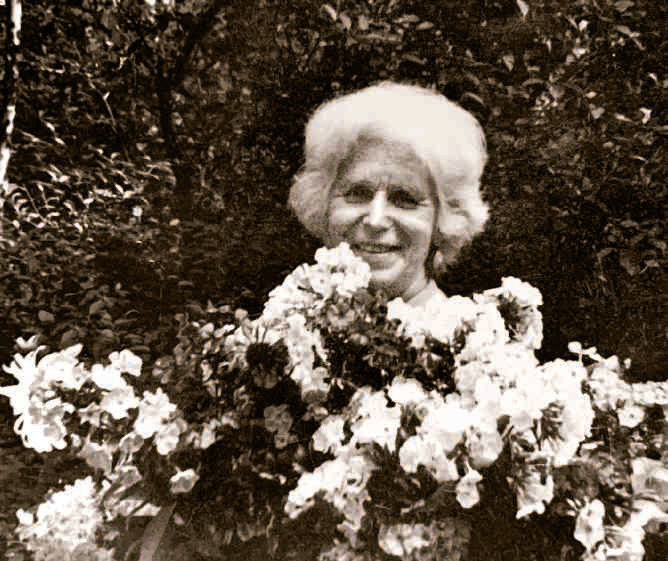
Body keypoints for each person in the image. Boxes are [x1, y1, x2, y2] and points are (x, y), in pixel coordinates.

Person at [288, 81, 488, 309]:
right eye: (358, 193)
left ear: (444, 222)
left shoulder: (465, 331)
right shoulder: (281, 326)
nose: (376, 221)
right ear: (322, 206)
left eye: (404, 199)